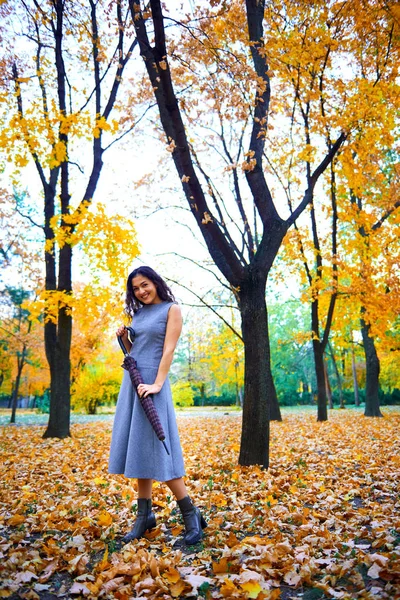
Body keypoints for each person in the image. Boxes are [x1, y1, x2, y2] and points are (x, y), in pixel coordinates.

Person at [108, 266, 207, 545]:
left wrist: (158, 384)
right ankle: (144, 516)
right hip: (134, 382)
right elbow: (135, 349)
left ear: (155, 282)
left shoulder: (171, 309)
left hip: (153, 385)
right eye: (136, 288)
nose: (141, 291)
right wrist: (124, 338)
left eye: (144, 285)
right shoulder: (138, 314)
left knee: (161, 451)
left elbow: (168, 349)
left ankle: (190, 512)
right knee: (139, 448)